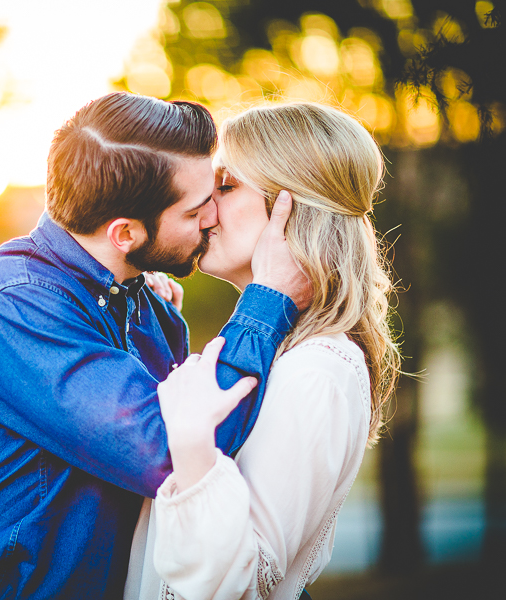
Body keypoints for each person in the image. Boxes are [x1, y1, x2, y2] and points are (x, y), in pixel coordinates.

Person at [0, 92, 310, 599]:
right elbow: (178, 454)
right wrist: (267, 303)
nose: (213, 215)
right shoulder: (13, 307)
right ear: (124, 233)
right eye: (194, 211)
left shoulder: (147, 304)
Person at [125, 102, 401, 600]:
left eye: (226, 186)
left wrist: (191, 447)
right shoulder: (280, 354)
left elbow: (245, 582)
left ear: (291, 205)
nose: (205, 206)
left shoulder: (317, 370)